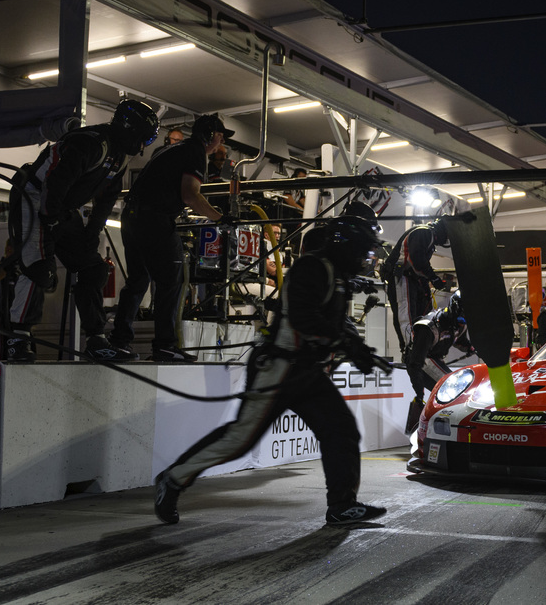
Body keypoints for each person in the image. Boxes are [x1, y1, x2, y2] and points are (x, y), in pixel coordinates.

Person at [153, 215, 390, 526]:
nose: (367, 259)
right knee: (240, 440)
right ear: (349, 246)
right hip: (279, 369)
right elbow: (304, 320)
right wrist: (348, 344)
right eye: (365, 251)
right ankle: (173, 479)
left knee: (341, 430)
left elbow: (332, 323)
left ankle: (342, 505)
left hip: (307, 372)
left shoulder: (337, 275)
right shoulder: (311, 268)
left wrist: (358, 349)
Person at [6, 99, 159, 362]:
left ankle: (96, 340)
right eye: (143, 139)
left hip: (62, 206)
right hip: (34, 198)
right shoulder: (90, 143)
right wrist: (51, 219)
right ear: (131, 131)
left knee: (94, 268)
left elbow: (107, 198)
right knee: (39, 268)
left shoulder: (119, 156)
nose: (143, 147)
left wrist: (92, 232)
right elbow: (56, 181)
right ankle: (18, 339)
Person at [109, 113, 228, 362]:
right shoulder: (195, 152)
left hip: (132, 217)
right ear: (210, 135)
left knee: (138, 281)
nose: (221, 143)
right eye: (220, 136)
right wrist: (220, 218)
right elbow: (190, 195)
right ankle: (165, 345)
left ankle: (118, 341)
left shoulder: (173, 150)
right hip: (155, 219)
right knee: (172, 280)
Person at [404, 289, 472, 433]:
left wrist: (471, 348)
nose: (462, 325)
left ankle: (443, 426)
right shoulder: (428, 327)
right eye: (461, 319)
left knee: (456, 389)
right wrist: (419, 393)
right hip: (421, 360)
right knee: (455, 386)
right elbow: (415, 363)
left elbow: (459, 340)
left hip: (435, 359)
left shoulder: (458, 324)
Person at [381, 218, 449, 352]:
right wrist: (433, 277)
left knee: (421, 313)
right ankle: (410, 348)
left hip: (411, 278)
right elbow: (416, 259)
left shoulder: (426, 234)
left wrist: (429, 282)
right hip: (402, 277)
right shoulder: (424, 232)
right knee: (406, 314)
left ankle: (421, 346)